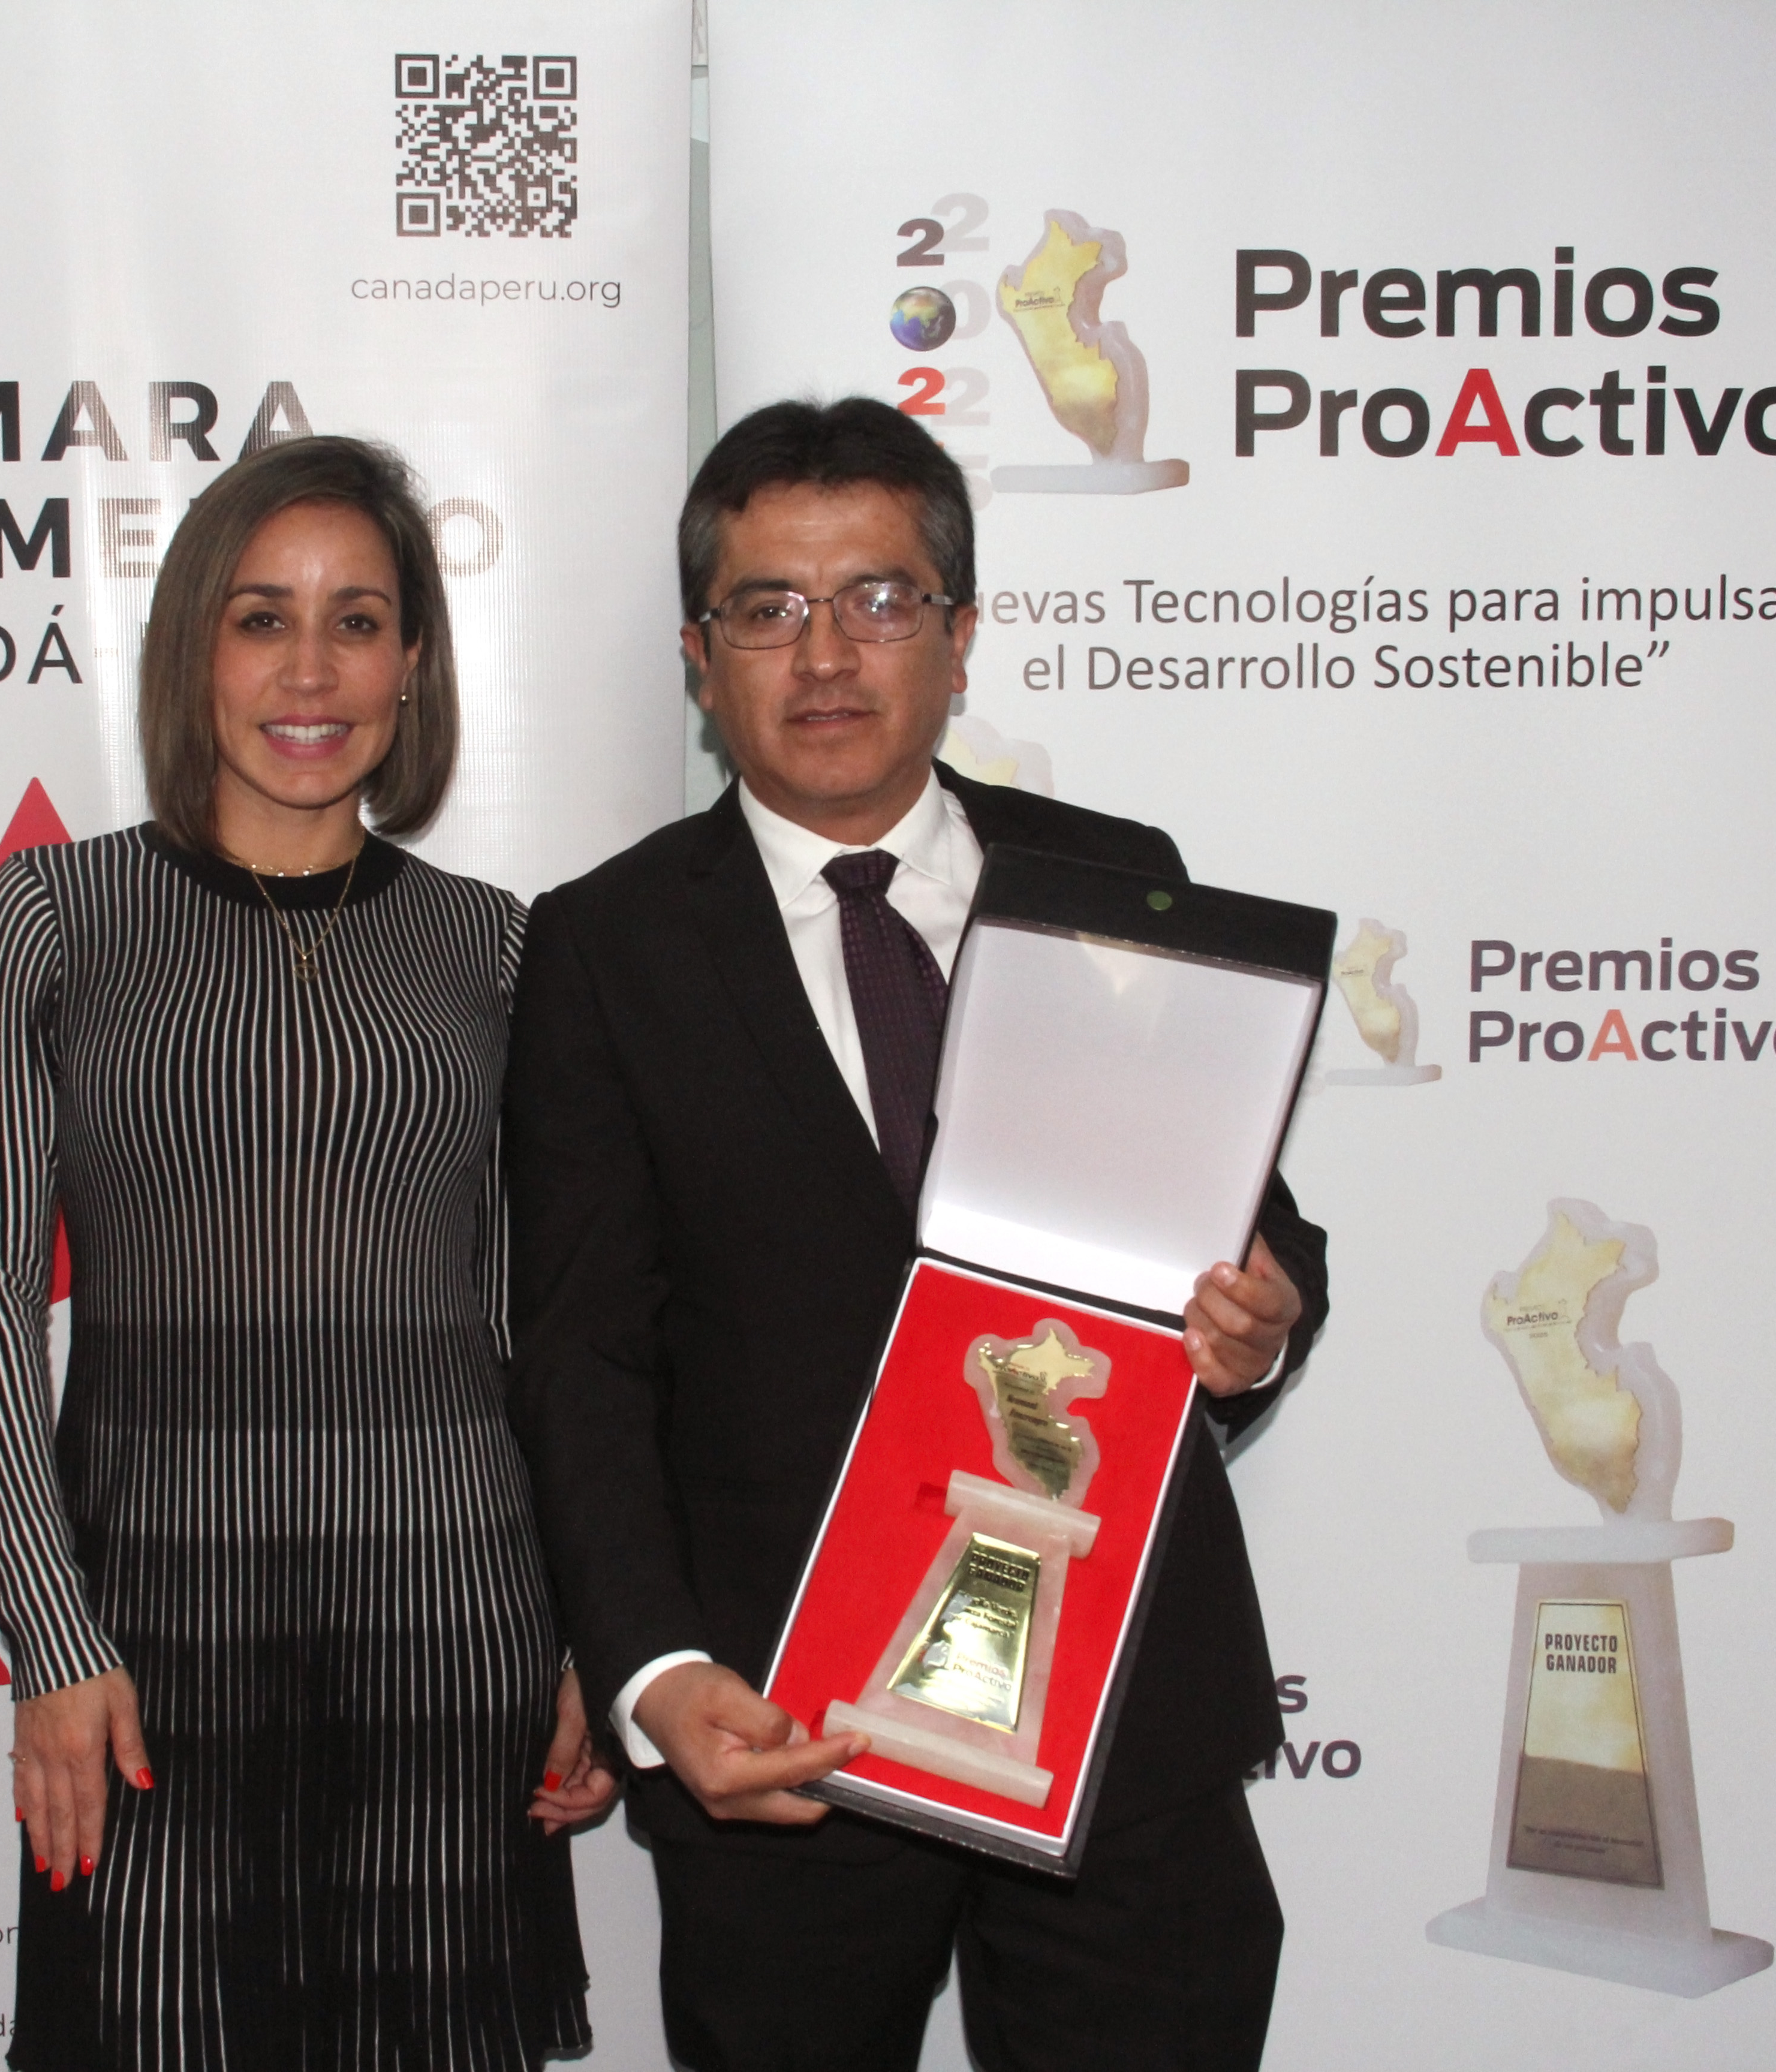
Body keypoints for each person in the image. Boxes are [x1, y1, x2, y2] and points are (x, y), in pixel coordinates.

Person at [504, 397, 1330, 2072]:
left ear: (959, 635)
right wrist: (654, 1671)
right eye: (769, 608)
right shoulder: (605, 947)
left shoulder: (1116, 879)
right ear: (700, 656)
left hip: (1119, 1717)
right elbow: (584, 1356)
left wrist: (1263, 1317)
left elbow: (1257, 1230)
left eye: (879, 600)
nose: (827, 654)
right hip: (780, 1729)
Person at [0, 434, 615, 2072]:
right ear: (195, 651)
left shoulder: (495, 946)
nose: (312, 671)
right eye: (262, 620)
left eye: (358, 622)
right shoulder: (52, 921)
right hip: (147, 1650)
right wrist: (52, 1634)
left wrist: (583, 1630)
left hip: (453, 1626)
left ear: (414, 663)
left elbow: (550, 1322)